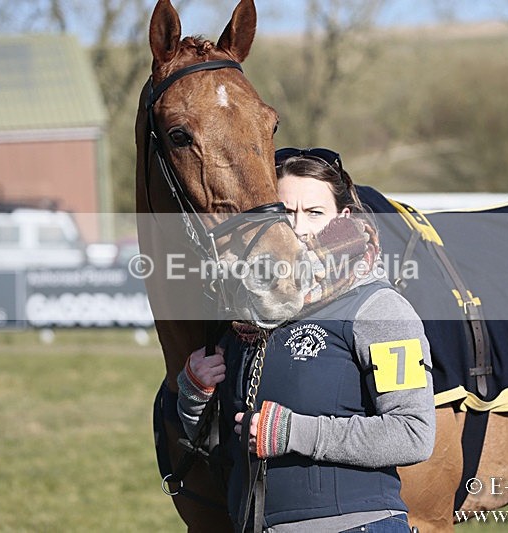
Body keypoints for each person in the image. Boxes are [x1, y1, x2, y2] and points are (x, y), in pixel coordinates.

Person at [177, 147, 436, 532]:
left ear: (343, 218)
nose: (298, 227)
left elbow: (413, 433)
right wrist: (193, 393)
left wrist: (293, 433)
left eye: (315, 212)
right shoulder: (244, 316)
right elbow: (217, 441)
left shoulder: (379, 309)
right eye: (285, 211)